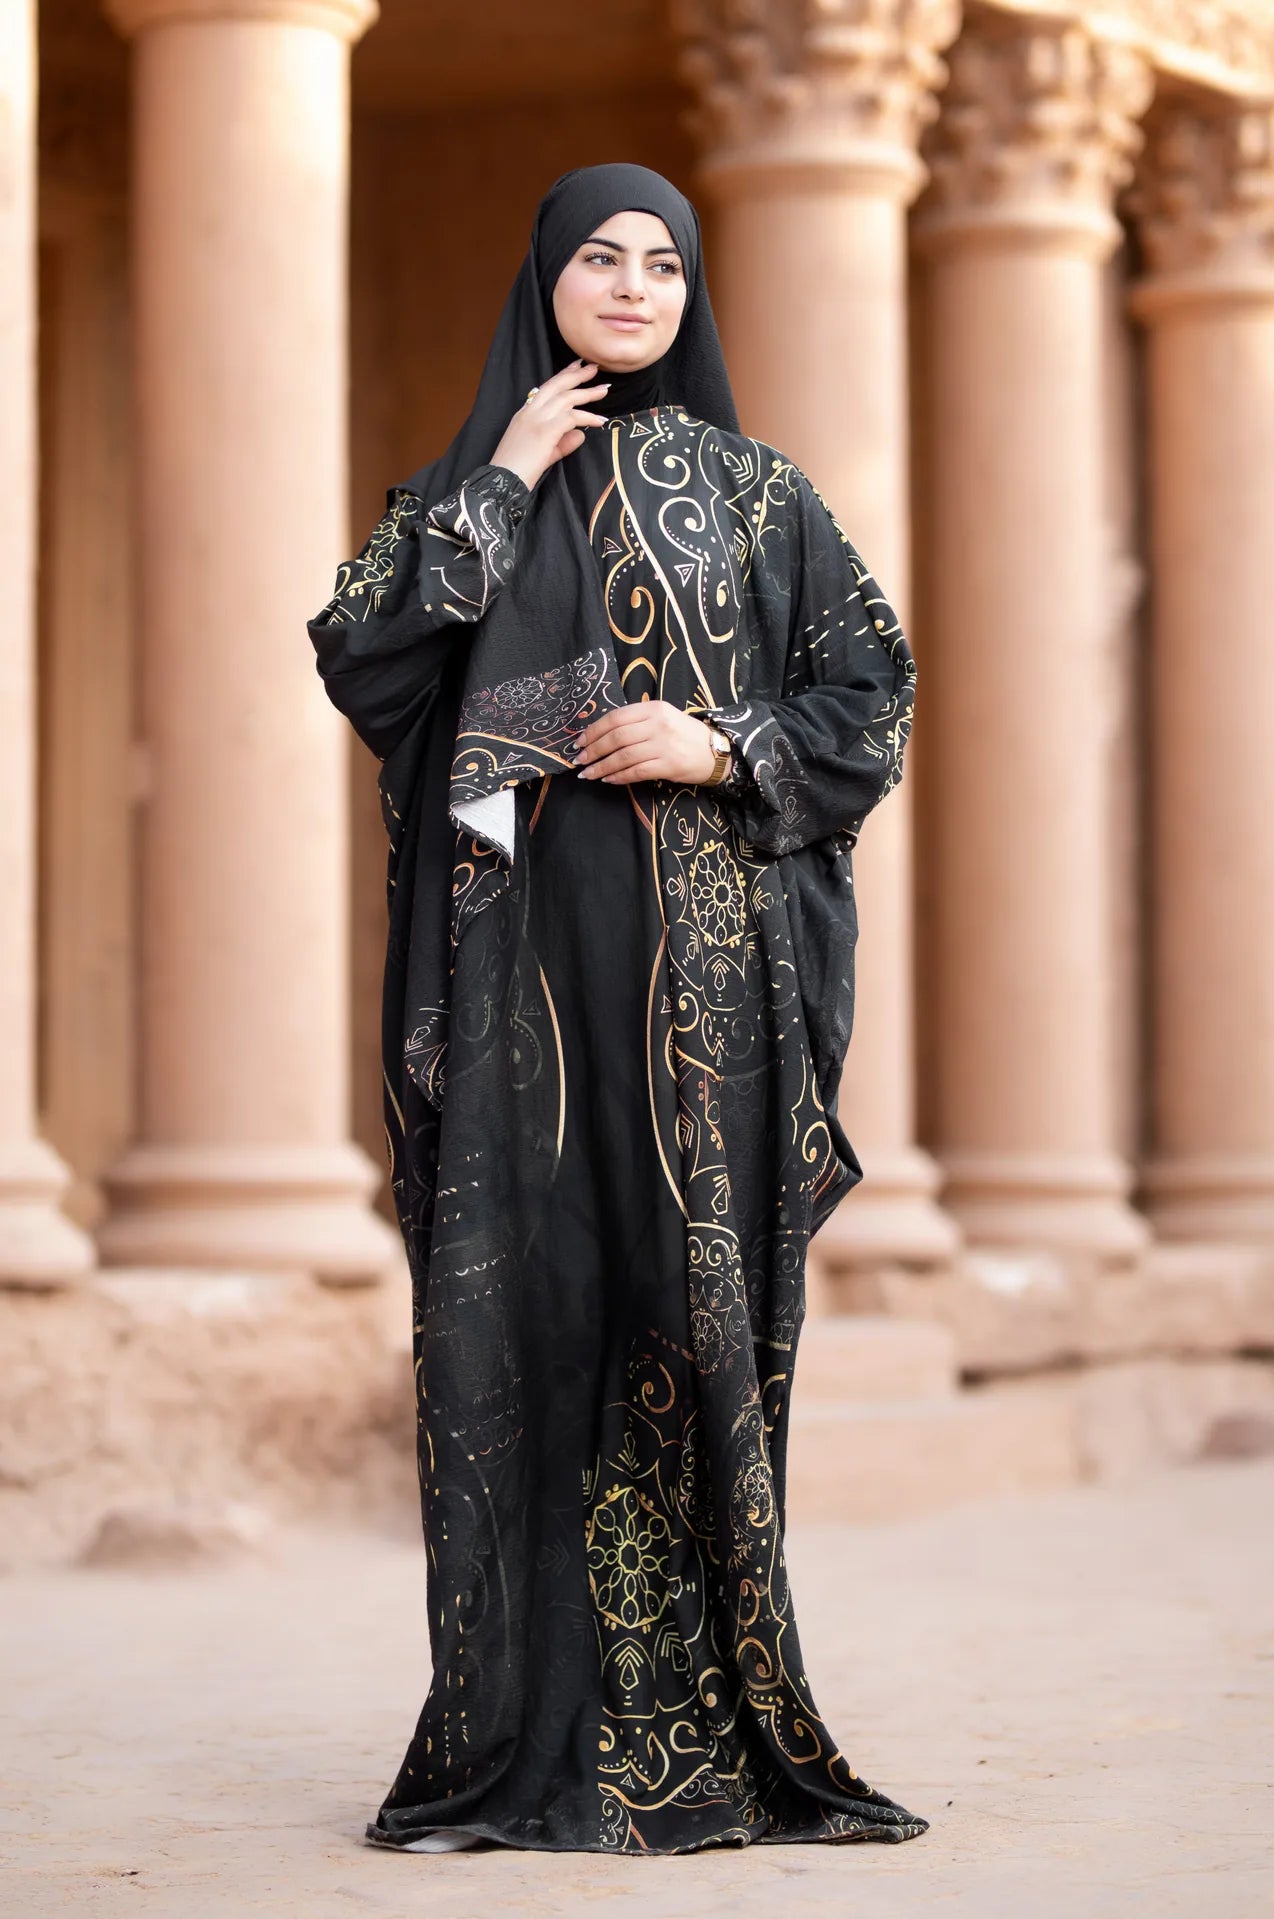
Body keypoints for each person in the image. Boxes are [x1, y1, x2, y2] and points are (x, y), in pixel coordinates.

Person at [307, 162, 923, 1857]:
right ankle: (505, 1748)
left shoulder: (759, 493)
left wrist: (716, 746)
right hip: (513, 988)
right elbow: (365, 657)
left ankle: (726, 1741)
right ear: (549, 280)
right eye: (602, 258)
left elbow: (873, 685)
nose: (636, 287)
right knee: (515, 1331)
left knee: (691, 1314)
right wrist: (502, 477)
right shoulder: (464, 487)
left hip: (707, 992)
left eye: (664, 263)